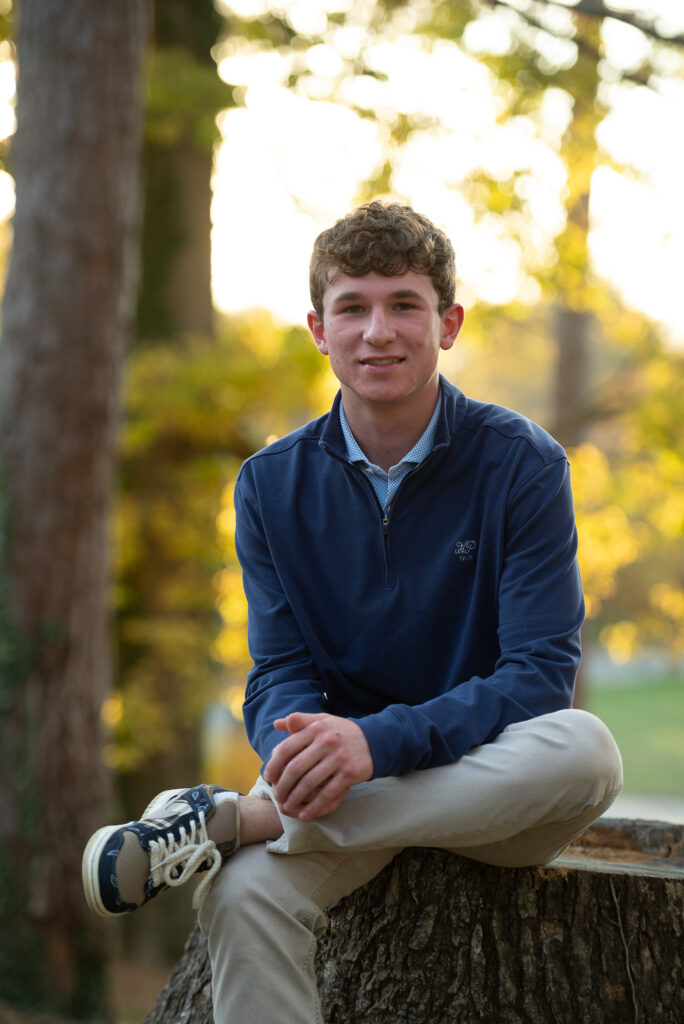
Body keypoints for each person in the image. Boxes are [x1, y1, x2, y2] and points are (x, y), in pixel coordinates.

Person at [82, 202, 623, 1023]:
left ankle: (246, 819)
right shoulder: (269, 483)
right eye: (353, 307)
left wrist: (375, 745)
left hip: (485, 792)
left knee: (586, 751)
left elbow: (539, 676)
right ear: (317, 329)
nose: (379, 331)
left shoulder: (522, 465)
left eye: (404, 305)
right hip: (336, 789)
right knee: (241, 898)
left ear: (448, 324)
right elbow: (279, 671)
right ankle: (263, 819)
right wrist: (296, 750)